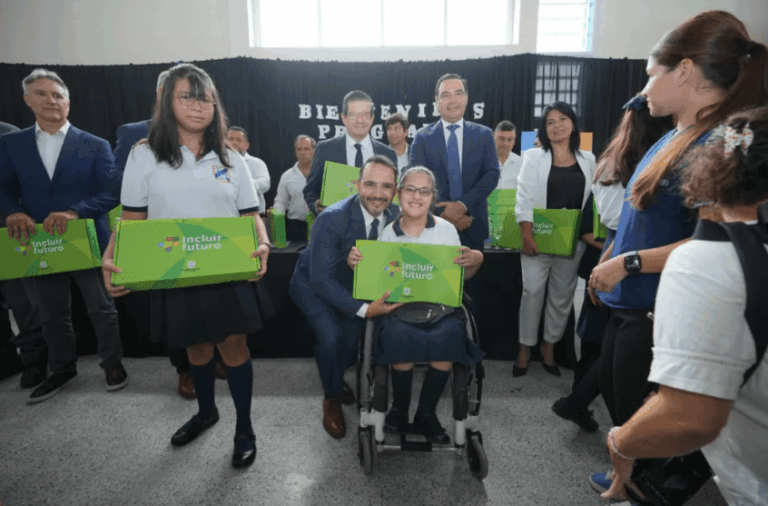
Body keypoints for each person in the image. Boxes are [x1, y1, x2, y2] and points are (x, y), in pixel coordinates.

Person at [588, 10, 768, 494]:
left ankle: (645, 484)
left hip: (661, 309)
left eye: (652, 74)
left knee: (658, 423)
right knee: (617, 396)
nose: (645, 87)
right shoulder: (674, 134)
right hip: (632, 300)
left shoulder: (721, 143)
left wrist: (628, 263)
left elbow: (722, 240)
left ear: (684, 71)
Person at [102, 63, 269, 469]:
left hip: (227, 267)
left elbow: (251, 214)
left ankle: (244, 427)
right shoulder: (144, 154)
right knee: (195, 345)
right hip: (177, 269)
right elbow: (132, 219)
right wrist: (112, 255)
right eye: (187, 96)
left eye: (206, 97)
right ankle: (205, 413)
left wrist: (262, 240)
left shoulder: (231, 156)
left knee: (233, 346)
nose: (198, 106)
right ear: (166, 101)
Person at [0, 68, 128, 404]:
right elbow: (2, 188)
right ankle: (61, 368)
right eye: (41, 94)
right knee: (50, 312)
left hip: (86, 239)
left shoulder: (95, 144)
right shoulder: (11, 144)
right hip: (38, 242)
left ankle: (112, 364)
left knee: (101, 308)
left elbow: (112, 192)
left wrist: (76, 211)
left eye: (58, 95)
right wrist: (12, 211)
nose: (51, 101)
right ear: (28, 100)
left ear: (68, 102)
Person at [551, 95, 673, 432]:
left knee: (607, 347)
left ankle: (577, 402)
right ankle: (603, 418)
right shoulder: (655, 167)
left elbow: (612, 223)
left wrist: (605, 261)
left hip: (611, 259)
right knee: (622, 355)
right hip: (640, 269)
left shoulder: (607, 163)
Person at [348, 166, 484, 444]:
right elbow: (378, 280)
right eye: (410, 189)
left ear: (433, 197)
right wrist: (357, 265)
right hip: (400, 308)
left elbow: (462, 275)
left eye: (425, 191)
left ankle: (426, 413)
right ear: (399, 194)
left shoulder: (446, 230)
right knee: (398, 336)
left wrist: (476, 261)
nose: (417, 196)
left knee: (448, 336)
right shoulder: (388, 232)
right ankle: (399, 410)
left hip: (441, 308)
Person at [289, 155, 403, 439]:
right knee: (330, 336)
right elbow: (321, 280)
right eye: (370, 184)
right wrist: (365, 309)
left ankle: (335, 375)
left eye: (386, 186)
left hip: (354, 286)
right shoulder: (331, 218)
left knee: (353, 339)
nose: (378, 193)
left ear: (395, 189)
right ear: (357, 184)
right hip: (314, 285)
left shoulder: (398, 215)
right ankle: (331, 397)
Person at [113, 69, 202, 399]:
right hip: (162, 237)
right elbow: (124, 195)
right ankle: (184, 370)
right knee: (176, 312)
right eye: (175, 91)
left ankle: (211, 359)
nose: (185, 99)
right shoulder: (136, 137)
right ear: (160, 94)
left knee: (210, 303)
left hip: (207, 234)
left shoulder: (207, 129)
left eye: (191, 92)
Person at [513, 101, 597, 378]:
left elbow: (593, 201)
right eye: (550, 122)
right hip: (536, 238)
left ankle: (549, 347)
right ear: (544, 129)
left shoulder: (589, 159)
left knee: (561, 297)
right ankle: (525, 348)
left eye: (562, 119)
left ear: (573, 123)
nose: (557, 125)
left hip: (572, 241)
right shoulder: (533, 157)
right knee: (532, 292)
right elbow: (523, 197)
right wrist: (526, 235)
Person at [410, 73, 499, 251]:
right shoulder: (422, 138)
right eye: (445, 95)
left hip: (472, 223)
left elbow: (492, 174)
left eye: (458, 93)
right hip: (433, 225)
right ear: (436, 101)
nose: (453, 100)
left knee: (473, 277)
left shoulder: (484, 135)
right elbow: (416, 180)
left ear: (466, 98)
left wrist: (462, 206)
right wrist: (445, 214)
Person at [0, 120, 47, 389]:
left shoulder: (7, 133)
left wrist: (12, 211)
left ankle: (35, 360)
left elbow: (22, 181)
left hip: (9, 232)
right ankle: (5, 360)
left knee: (22, 301)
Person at [303, 91, 398, 215]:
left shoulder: (388, 154)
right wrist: (316, 206)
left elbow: (393, 193)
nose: (360, 120)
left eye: (365, 114)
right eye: (354, 114)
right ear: (344, 117)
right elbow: (310, 190)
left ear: (372, 118)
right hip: (336, 227)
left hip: (376, 229)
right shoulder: (325, 149)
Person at [271, 134, 314, 241]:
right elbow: (281, 201)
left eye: (306, 149)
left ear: (314, 150)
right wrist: (276, 212)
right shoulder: (287, 176)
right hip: (295, 228)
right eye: (299, 149)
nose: (302, 152)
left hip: (320, 225)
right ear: (295, 152)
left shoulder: (323, 173)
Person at [227, 126, 270, 215]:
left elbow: (264, 184)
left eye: (238, 140)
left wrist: (238, 184)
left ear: (247, 145)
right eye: (230, 139)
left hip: (253, 216)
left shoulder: (257, 163)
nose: (234, 143)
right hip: (226, 216)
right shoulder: (216, 164)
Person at [494, 120, 523, 190]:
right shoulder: (482, 162)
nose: (505, 143)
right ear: (493, 136)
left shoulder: (522, 164)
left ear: (514, 141)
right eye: (501, 139)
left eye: (509, 140)